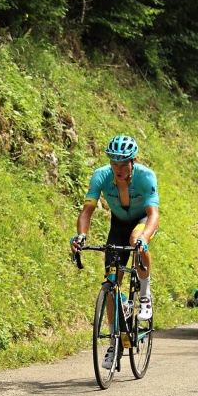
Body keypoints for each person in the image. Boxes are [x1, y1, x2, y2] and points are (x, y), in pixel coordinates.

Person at [70, 135, 160, 368]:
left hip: (141, 221)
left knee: (135, 239)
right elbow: (87, 210)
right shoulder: (101, 176)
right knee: (111, 282)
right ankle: (114, 342)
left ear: (133, 161)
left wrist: (145, 239)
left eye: (123, 164)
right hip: (118, 224)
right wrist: (81, 236)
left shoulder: (146, 176)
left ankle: (145, 293)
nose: (118, 169)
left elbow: (153, 215)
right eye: (114, 163)